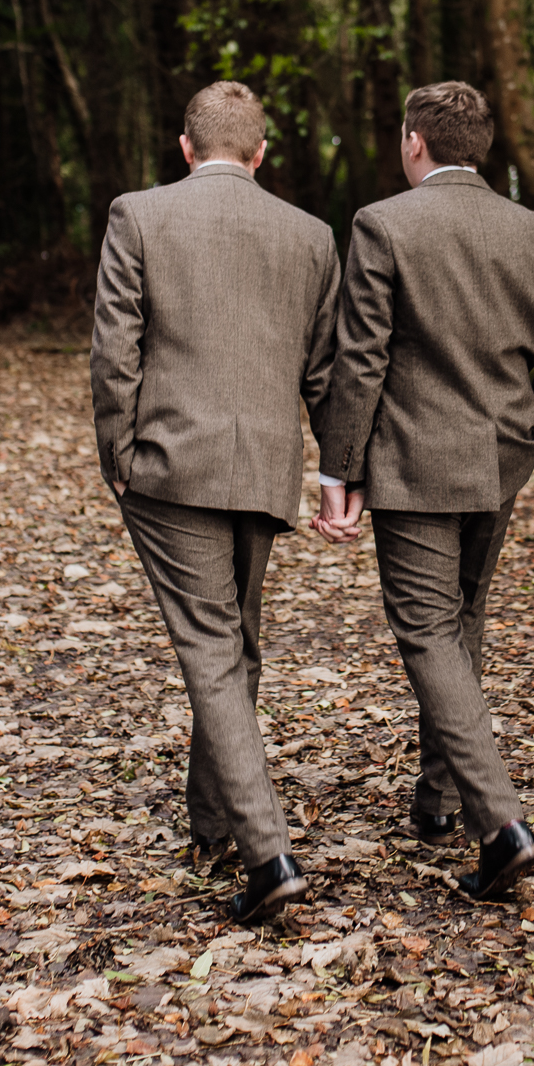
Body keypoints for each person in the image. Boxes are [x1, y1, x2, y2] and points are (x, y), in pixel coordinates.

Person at [313, 80, 534, 902]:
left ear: (414, 143)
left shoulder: (383, 224)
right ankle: (437, 803)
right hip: (499, 463)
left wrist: (341, 471)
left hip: (416, 466)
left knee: (428, 630)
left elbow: (360, 359)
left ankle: (500, 822)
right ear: (483, 147)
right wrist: (529, 430)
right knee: (461, 621)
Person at [91, 80, 341, 926]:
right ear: (261, 152)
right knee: (236, 643)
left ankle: (267, 852)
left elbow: (114, 347)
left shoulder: (139, 215)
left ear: (187, 147)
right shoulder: (309, 235)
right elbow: (324, 373)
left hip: (170, 466)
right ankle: (211, 823)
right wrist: (335, 468)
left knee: (214, 649)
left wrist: (116, 456)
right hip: (263, 471)